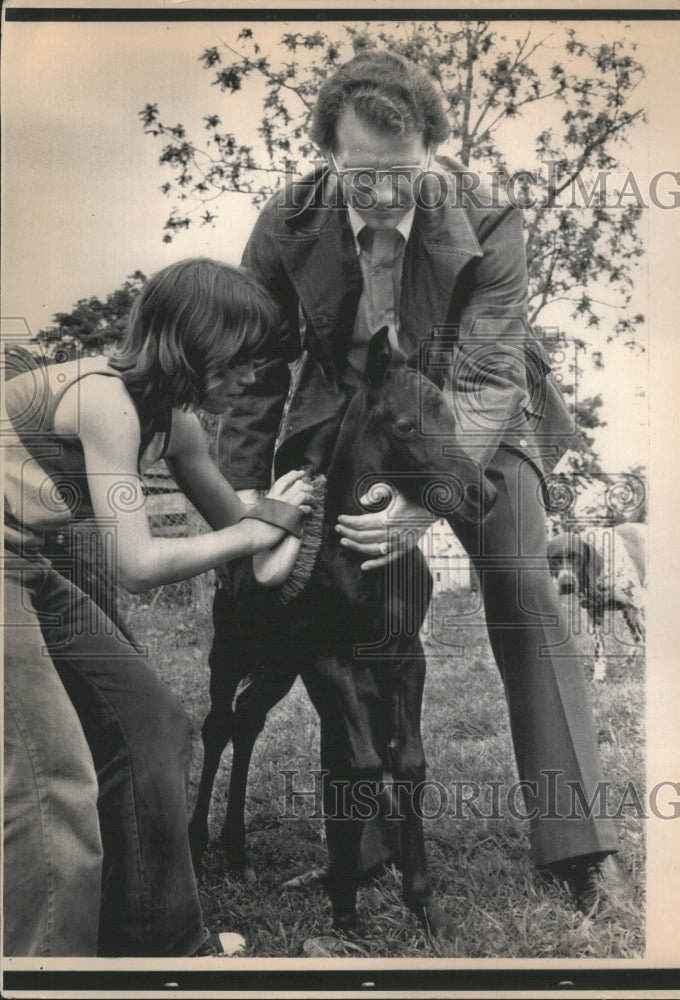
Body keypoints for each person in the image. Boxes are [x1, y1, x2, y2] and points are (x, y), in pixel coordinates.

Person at [215, 50, 636, 920]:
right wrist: (247, 508)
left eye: (398, 175)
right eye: (357, 174)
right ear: (327, 154)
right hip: (345, 417)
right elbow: (256, 373)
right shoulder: (283, 221)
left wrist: (431, 500)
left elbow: (488, 379)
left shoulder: (491, 215)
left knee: (522, 586)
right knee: (341, 596)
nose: (379, 195)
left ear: (431, 154)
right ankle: (361, 847)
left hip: (476, 418)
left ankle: (575, 843)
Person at [2, 257, 315, 956]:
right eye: (241, 362)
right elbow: (139, 565)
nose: (252, 380)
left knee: (154, 726)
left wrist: (284, 513)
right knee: (53, 776)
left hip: (22, 563)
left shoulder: (176, 426)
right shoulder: (103, 398)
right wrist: (255, 529)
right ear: (193, 344)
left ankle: (162, 946)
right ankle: (47, 971)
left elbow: (239, 531)